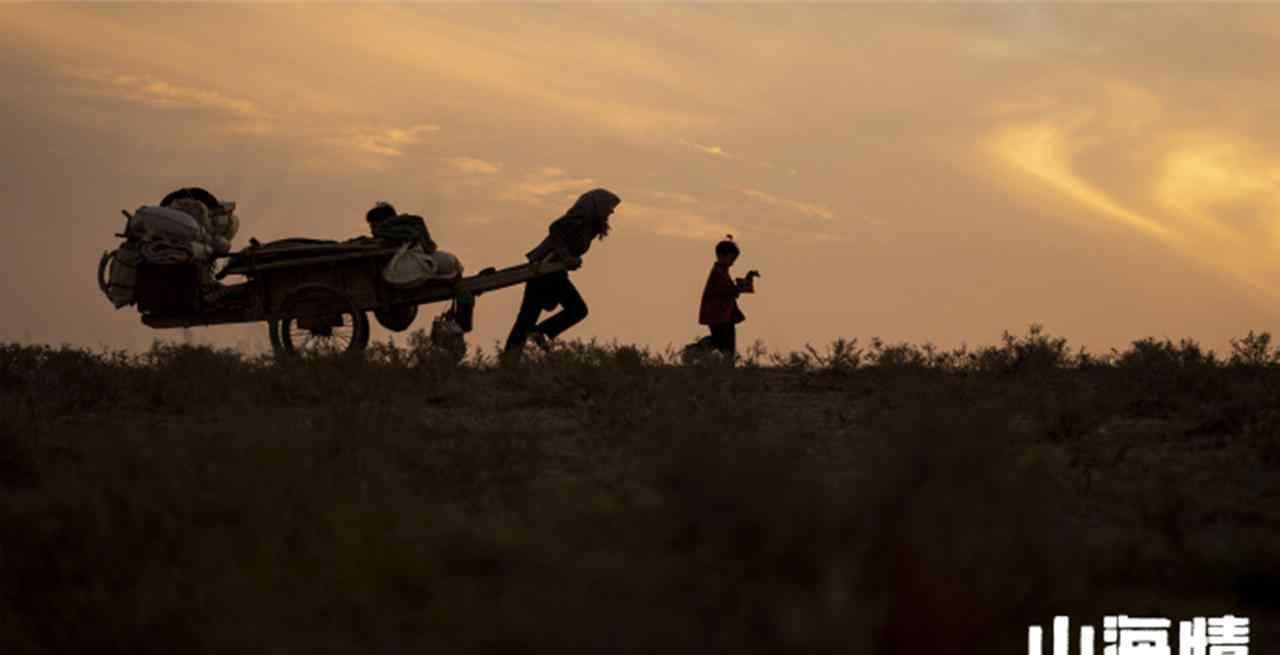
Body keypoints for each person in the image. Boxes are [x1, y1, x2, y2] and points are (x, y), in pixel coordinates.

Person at [503, 188, 621, 356]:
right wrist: (566, 257)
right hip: (546, 268)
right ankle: (539, 334)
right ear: (599, 204)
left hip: (552, 270)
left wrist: (569, 260)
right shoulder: (582, 214)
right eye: (609, 207)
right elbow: (555, 229)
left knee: (527, 318)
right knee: (577, 309)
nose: (611, 211)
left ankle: (509, 362)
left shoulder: (592, 225)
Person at [697, 235, 759, 359]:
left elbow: (731, 291)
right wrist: (745, 281)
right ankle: (695, 350)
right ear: (723, 256)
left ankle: (697, 352)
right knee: (723, 344)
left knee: (722, 343)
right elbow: (729, 291)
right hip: (718, 315)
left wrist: (746, 280)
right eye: (732, 258)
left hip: (723, 315)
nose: (733, 261)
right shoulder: (718, 273)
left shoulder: (721, 272)